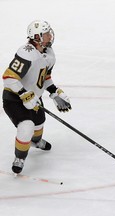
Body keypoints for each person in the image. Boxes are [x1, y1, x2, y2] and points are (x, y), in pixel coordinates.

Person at [2, 20, 71, 174]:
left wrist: (54, 93)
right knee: (26, 128)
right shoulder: (26, 53)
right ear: (36, 37)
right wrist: (23, 94)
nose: (50, 36)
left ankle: (36, 142)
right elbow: (9, 77)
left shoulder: (49, 54)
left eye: (49, 32)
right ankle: (20, 157)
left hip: (33, 97)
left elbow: (44, 78)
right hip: (13, 98)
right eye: (46, 33)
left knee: (39, 123)